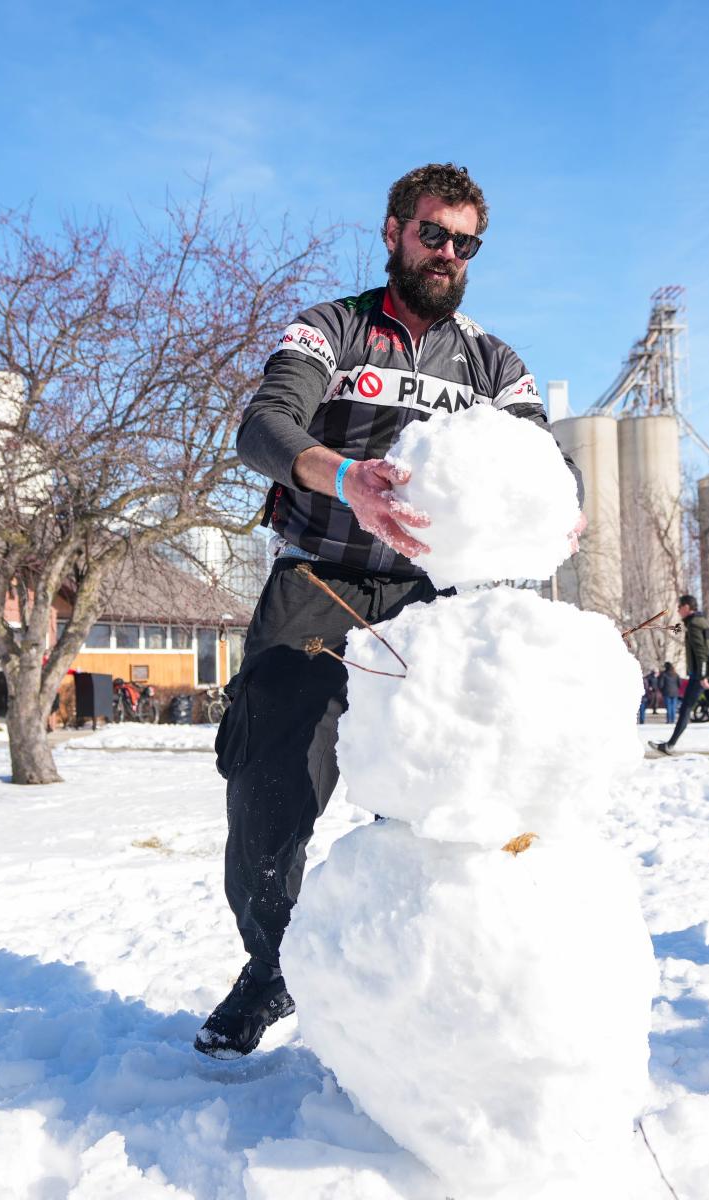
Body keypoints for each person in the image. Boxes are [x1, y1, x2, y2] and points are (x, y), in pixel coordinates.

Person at [195, 163, 586, 1059]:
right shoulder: (329, 328)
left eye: (464, 243)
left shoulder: (494, 361)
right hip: (319, 583)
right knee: (270, 793)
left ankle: (404, 986)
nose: (447, 253)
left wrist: (559, 503)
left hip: (427, 602)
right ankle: (273, 965)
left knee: (431, 804)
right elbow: (264, 426)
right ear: (393, 232)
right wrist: (345, 480)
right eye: (432, 234)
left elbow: (541, 461)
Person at [649, 595, 709, 756]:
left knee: (686, 709)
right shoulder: (701, 622)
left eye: (680, 607)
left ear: (687, 607)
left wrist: (702, 676)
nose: (678, 610)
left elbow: (701, 653)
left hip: (701, 676)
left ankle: (669, 745)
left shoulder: (695, 625)